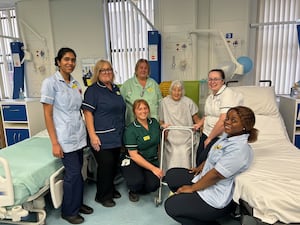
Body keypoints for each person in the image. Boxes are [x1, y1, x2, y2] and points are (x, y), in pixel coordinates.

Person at [164, 106, 258, 225]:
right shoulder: (228, 136)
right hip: (205, 178)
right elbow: (213, 156)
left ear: (245, 126)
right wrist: (200, 167)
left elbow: (216, 175)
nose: (227, 122)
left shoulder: (239, 149)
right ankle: (192, 206)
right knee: (172, 175)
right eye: (227, 118)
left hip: (215, 196)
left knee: (171, 206)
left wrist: (192, 188)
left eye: (233, 120)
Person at [40, 47, 93, 224]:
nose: (70, 63)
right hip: (63, 136)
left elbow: (79, 109)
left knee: (78, 171)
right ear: (58, 61)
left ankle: (77, 203)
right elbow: (47, 114)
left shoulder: (75, 83)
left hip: (78, 134)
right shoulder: (50, 83)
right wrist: (55, 142)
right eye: (66, 59)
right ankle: (68, 211)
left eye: (73, 60)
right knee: (72, 174)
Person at [82, 59, 126, 208]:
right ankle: (102, 195)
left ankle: (111, 189)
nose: (107, 72)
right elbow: (88, 114)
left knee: (113, 165)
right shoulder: (93, 90)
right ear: (97, 73)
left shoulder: (115, 88)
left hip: (115, 134)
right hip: (101, 136)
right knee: (105, 165)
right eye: (103, 70)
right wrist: (93, 136)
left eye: (109, 69)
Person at [195, 69, 243, 166]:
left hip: (218, 136)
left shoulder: (227, 94)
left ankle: (203, 180)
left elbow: (223, 121)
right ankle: (197, 180)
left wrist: (209, 138)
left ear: (222, 81)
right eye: (210, 79)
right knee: (199, 158)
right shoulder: (210, 96)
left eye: (216, 79)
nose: (212, 82)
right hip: (206, 132)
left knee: (206, 161)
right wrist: (199, 124)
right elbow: (207, 115)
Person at [121, 99, 163, 202]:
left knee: (154, 185)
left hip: (150, 159)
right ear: (134, 111)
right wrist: (153, 169)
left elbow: (159, 141)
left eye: (145, 108)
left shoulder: (154, 123)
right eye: (139, 109)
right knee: (136, 182)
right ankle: (132, 189)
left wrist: (166, 130)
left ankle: (141, 182)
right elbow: (134, 155)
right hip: (134, 161)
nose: (143, 111)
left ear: (148, 110)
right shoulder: (131, 130)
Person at [159, 80, 201, 171]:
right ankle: (170, 174)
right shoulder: (164, 102)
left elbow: (196, 119)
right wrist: (163, 127)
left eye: (179, 90)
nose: (177, 93)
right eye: (174, 90)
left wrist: (200, 126)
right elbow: (161, 121)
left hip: (186, 134)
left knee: (183, 149)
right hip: (171, 134)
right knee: (174, 149)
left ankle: (185, 173)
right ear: (171, 90)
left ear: (182, 91)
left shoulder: (188, 102)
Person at [120, 58, 162, 126]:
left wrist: (161, 121)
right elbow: (119, 103)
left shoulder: (154, 84)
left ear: (148, 71)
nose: (143, 70)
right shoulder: (127, 85)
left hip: (152, 123)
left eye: (146, 68)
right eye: (141, 68)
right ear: (136, 70)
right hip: (133, 124)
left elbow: (160, 103)